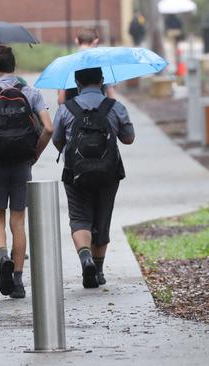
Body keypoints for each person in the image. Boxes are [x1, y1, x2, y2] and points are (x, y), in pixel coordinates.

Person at [0, 45, 53, 299]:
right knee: (18, 221)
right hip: (21, 163)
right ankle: (17, 280)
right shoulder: (31, 93)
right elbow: (48, 128)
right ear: (13, 65)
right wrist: (35, 153)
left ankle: (3, 255)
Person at [52, 67, 135, 288]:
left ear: (77, 82)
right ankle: (98, 270)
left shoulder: (65, 109)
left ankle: (85, 259)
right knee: (102, 218)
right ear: (102, 81)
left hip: (75, 173)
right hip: (109, 173)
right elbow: (129, 138)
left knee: (79, 217)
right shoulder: (115, 106)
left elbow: (57, 140)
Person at [57, 27, 117, 105]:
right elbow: (112, 97)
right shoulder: (102, 64)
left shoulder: (66, 64)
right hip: (99, 111)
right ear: (95, 41)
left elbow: (61, 101)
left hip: (74, 113)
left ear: (77, 41)